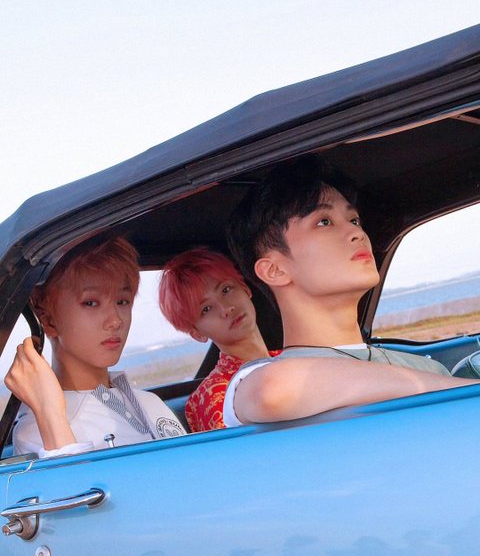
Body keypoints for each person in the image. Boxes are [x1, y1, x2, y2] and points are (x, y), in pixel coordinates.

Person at [222, 155, 477, 425]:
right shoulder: (254, 383)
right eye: (324, 222)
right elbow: (272, 391)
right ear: (275, 270)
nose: (358, 234)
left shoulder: (429, 368)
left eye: (354, 220)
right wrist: (462, 390)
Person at [5, 236, 185, 457]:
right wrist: (49, 414)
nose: (115, 320)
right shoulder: (36, 429)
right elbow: (72, 482)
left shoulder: (150, 402)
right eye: (91, 303)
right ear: (47, 319)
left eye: (122, 301)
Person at [159, 247, 280, 431]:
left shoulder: (291, 358)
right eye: (206, 309)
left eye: (226, 289)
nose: (226, 308)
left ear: (245, 289)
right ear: (197, 333)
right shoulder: (215, 394)